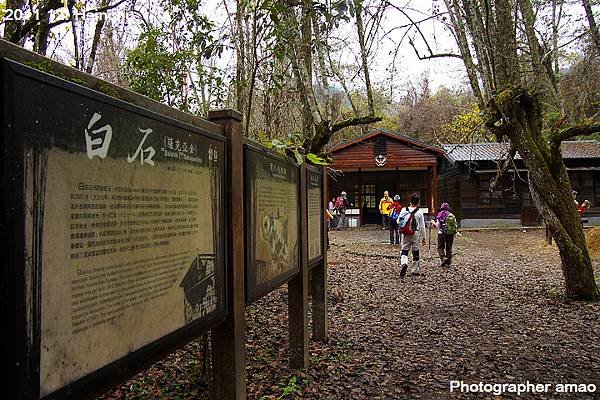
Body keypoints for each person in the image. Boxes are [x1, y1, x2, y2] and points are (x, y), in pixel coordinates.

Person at [399, 193, 426, 279]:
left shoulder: (404, 210)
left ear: (409, 200)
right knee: (415, 251)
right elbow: (422, 226)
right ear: (418, 202)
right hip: (415, 233)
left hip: (406, 233)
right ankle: (415, 270)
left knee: (404, 250)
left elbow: (398, 221)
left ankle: (404, 263)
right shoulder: (420, 212)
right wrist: (424, 237)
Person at [431, 202, 455, 268]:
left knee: (440, 247)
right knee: (449, 247)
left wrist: (433, 222)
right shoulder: (451, 215)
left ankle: (443, 258)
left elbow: (438, 225)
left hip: (441, 233)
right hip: (450, 233)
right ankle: (448, 263)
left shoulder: (440, 214)